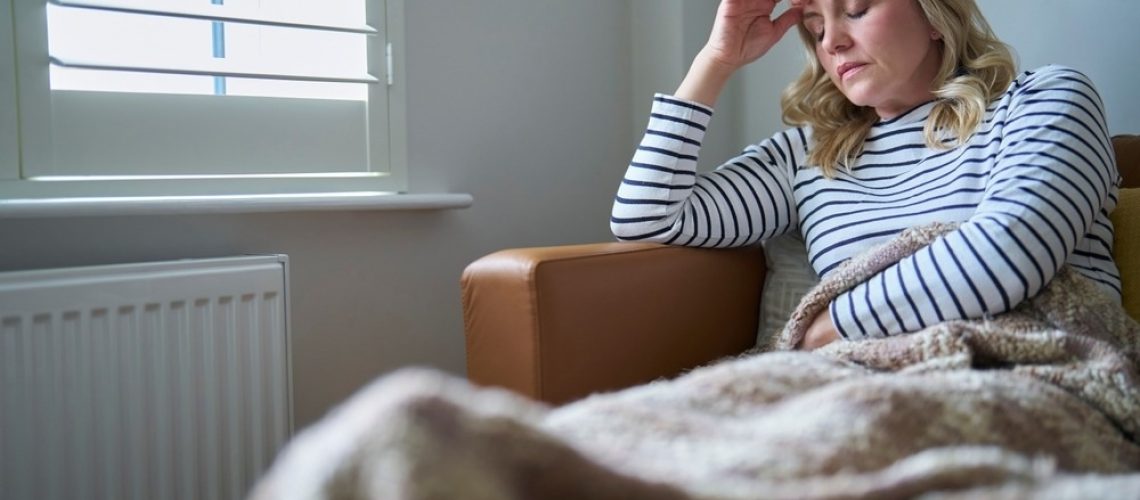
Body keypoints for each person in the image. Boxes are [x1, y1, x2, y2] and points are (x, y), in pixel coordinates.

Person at [611, 0, 1120, 350]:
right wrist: (716, 60)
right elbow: (647, 216)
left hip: (1033, 368)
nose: (831, 40)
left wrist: (829, 327)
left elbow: (1014, 252)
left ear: (933, 15)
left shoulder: (1044, 101)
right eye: (814, 25)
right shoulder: (810, 155)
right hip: (861, 383)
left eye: (855, 10)